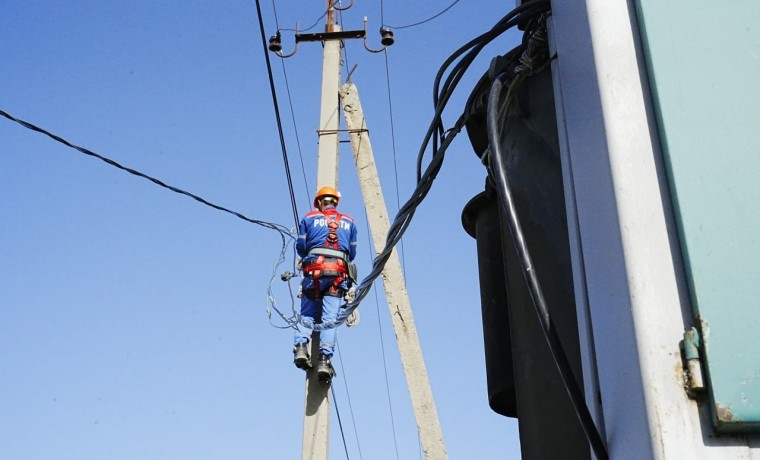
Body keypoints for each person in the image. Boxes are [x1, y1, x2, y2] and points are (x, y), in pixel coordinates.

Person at [294, 186, 358, 381]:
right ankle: (324, 360)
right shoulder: (350, 222)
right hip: (337, 275)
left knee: (307, 313)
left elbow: (301, 247)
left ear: (320, 203)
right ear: (335, 203)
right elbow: (352, 253)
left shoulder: (309, 218)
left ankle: (301, 348)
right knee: (330, 320)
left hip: (314, 273)